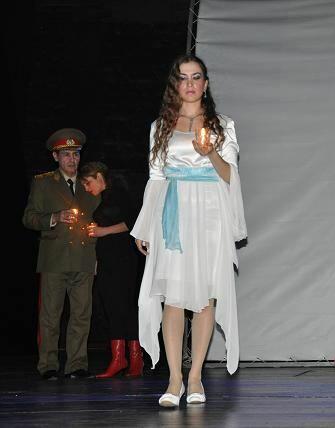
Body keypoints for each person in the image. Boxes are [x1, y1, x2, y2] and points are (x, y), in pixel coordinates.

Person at [131, 54, 246, 407]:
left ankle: (195, 376)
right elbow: (156, 177)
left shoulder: (223, 125)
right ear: (175, 85)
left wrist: (210, 153)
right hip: (174, 214)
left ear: (205, 84)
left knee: (205, 298)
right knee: (174, 298)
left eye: (196, 77)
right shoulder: (161, 126)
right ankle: (175, 379)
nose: (191, 83)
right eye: (184, 77)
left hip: (209, 215)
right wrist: (145, 226)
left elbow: (230, 175)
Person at [23, 128, 100, 380]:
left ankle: (77, 364)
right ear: (55, 157)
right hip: (54, 259)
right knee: (50, 316)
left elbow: (102, 216)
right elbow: (29, 218)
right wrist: (54, 217)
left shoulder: (90, 183)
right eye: (66, 154)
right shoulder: (43, 182)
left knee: (81, 315)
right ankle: (48, 365)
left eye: (75, 154)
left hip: (84, 257)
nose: (72, 159)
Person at [78, 161, 143, 378]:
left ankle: (130, 359)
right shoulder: (106, 197)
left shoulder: (120, 194)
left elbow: (133, 223)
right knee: (114, 306)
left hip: (123, 259)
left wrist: (103, 231)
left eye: (88, 182)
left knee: (122, 306)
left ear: (99, 177)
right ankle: (124, 358)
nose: (87, 188)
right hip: (109, 259)